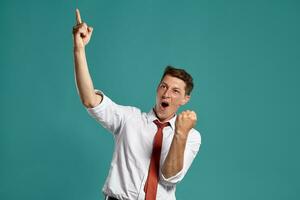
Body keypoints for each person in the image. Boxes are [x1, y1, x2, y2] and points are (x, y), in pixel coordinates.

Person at [72, 8, 201, 200]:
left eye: (176, 91)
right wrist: (79, 49)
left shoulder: (191, 136)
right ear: (157, 89)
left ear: (185, 99)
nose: (167, 94)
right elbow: (89, 99)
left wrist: (180, 134)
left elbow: (169, 176)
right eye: (163, 86)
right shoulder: (129, 119)